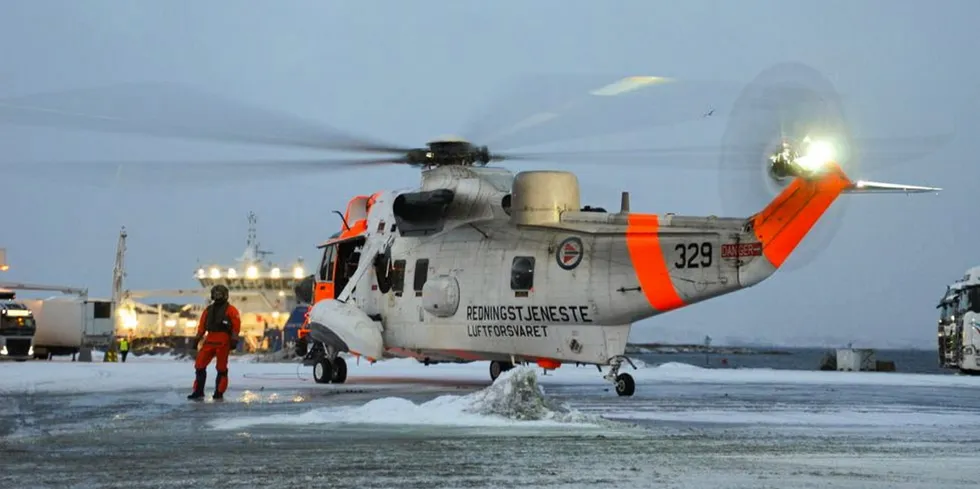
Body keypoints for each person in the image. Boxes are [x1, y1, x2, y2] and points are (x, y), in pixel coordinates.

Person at [187, 284, 241, 401]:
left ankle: (219, 393)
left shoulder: (231, 310)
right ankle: (198, 391)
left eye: (219, 294)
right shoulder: (208, 310)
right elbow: (202, 327)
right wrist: (196, 340)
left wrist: (234, 341)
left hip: (223, 341)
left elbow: (236, 327)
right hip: (210, 340)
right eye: (215, 294)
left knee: (221, 368)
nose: (217, 296)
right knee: (199, 365)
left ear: (225, 295)